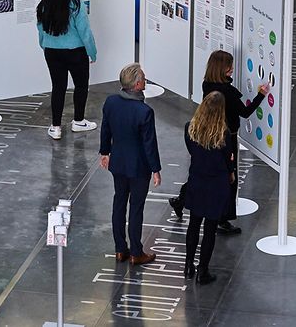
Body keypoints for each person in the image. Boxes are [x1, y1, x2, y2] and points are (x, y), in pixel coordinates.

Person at [169, 51, 269, 235]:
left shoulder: (207, 84)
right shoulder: (227, 92)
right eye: (229, 66)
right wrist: (261, 95)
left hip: (207, 134)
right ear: (222, 69)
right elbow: (245, 112)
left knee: (203, 172)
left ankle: (181, 200)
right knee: (228, 178)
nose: (232, 69)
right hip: (226, 137)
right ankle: (222, 218)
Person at [100, 64, 162, 265]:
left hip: (118, 163)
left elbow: (105, 129)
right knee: (136, 207)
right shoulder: (144, 111)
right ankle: (136, 251)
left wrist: (105, 152)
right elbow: (149, 144)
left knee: (119, 203)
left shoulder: (111, 102)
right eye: (143, 78)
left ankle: (120, 249)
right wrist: (156, 169)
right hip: (139, 168)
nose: (145, 80)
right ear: (137, 85)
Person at [37, 0, 98, 140]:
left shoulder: (45, 1)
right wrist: (92, 52)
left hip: (52, 52)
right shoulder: (75, 3)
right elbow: (85, 31)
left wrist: (44, 44)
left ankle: (55, 126)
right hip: (76, 53)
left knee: (58, 87)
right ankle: (78, 121)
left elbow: (40, 28)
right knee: (81, 86)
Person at [180, 92, 232, 284]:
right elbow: (227, 160)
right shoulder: (223, 134)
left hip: (197, 181)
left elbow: (192, 151)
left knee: (193, 224)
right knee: (209, 229)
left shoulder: (190, 129)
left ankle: (188, 266)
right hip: (216, 185)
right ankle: (203, 271)